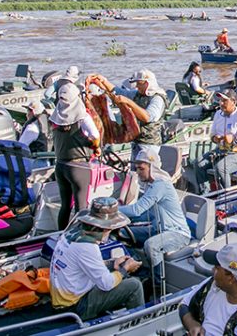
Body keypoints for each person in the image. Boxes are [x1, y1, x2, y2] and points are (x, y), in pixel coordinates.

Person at [50, 197, 144, 320]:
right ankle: (140, 323)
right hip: (75, 306)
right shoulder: (87, 247)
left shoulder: (69, 235)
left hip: (63, 298)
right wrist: (125, 269)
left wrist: (112, 263)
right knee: (134, 285)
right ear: (105, 228)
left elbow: (84, 265)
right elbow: (107, 284)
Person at [118, 150, 191, 284]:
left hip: (177, 233)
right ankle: (137, 267)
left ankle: (157, 284)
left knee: (151, 245)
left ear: (152, 167)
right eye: (137, 168)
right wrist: (125, 221)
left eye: (141, 168)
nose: (138, 172)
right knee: (120, 232)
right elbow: (147, 214)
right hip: (159, 229)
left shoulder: (160, 185)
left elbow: (136, 210)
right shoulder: (150, 186)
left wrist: (112, 210)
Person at [51, 82, 101, 230]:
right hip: (78, 167)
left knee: (65, 206)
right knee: (81, 207)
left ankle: (61, 235)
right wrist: (96, 147)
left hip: (60, 166)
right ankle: (80, 239)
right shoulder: (82, 117)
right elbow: (95, 135)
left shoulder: (55, 117)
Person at [193, 89, 237, 191]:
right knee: (198, 163)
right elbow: (212, 135)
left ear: (234, 102)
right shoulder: (218, 114)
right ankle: (205, 194)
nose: (221, 103)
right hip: (221, 150)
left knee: (221, 168)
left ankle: (227, 196)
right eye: (220, 100)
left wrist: (234, 138)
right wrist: (215, 139)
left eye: (224, 101)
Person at [104, 69, 167, 157]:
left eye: (139, 84)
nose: (137, 86)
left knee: (146, 169)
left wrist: (129, 102)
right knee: (135, 169)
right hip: (136, 142)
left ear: (147, 83)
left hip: (149, 144)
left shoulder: (157, 99)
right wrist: (103, 82)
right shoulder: (138, 94)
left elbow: (147, 117)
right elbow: (120, 92)